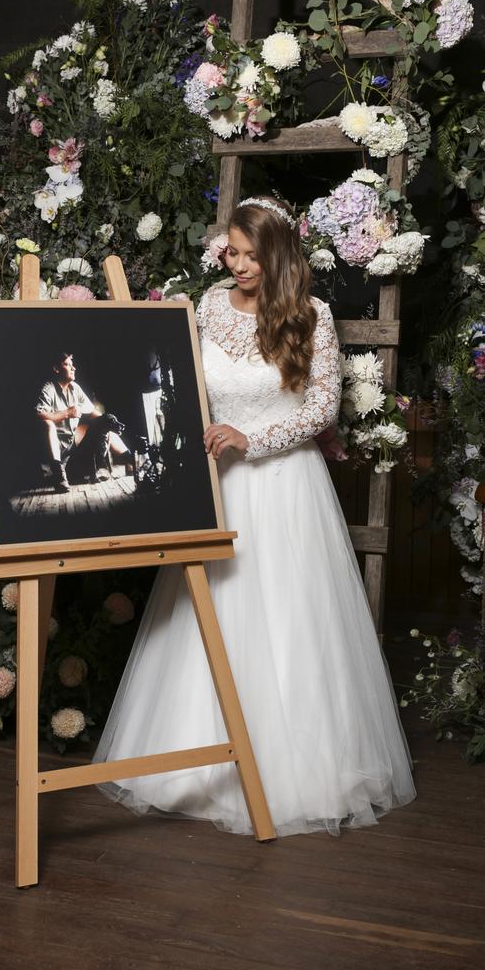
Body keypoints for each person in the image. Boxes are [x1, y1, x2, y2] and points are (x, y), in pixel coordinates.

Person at [93, 196, 416, 837]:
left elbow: (324, 405)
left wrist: (254, 439)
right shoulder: (210, 305)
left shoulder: (311, 315)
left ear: (276, 254)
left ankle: (293, 769)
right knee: (204, 614)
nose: (234, 263)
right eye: (230, 251)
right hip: (215, 485)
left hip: (285, 488)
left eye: (247, 254)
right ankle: (191, 760)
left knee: (289, 621)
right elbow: (180, 379)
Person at [36, 352, 131, 493]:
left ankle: (131, 459)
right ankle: (58, 474)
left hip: (72, 446)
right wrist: (66, 413)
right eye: (67, 364)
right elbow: (39, 414)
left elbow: (93, 412)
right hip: (58, 452)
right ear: (56, 369)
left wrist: (107, 423)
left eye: (72, 365)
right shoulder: (48, 389)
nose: (73, 368)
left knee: (103, 423)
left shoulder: (75, 388)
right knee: (48, 423)